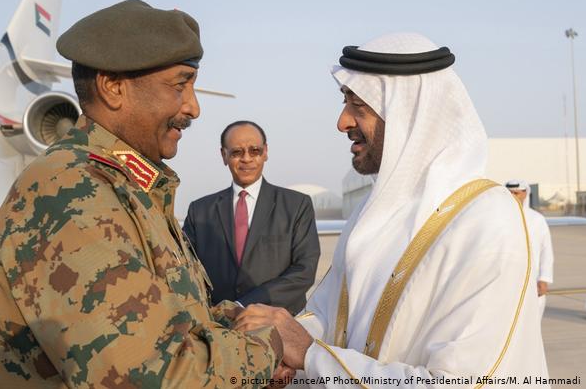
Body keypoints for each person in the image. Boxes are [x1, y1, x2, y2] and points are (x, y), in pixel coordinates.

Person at [0, 0, 286, 387]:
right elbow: (156, 376)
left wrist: (238, 320)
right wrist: (269, 345)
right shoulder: (71, 193)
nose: (194, 107)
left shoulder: (125, 184)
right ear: (114, 88)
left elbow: (169, 313)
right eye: (180, 84)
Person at [235, 33, 549, 387]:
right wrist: (278, 341)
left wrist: (309, 354)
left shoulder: (488, 219)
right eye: (345, 102)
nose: (343, 122)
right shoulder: (373, 212)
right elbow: (328, 315)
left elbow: (462, 381)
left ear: (410, 115)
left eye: (359, 105)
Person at [183, 121, 320, 315]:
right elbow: (186, 270)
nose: (246, 159)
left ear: (265, 152)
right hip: (218, 327)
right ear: (224, 155)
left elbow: (304, 271)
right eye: (237, 152)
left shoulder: (297, 205)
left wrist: (241, 305)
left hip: (277, 324)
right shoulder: (200, 211)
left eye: (254, 151)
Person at [506, 180, 554, 318]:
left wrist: (544, 279)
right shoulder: (499, 217)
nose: (513, 196)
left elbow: (546, 251)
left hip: (533, 280)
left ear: (525, 194)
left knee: (532, 322)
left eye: (516, 193)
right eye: (510, 193)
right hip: (508, 280)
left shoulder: (537, 220)